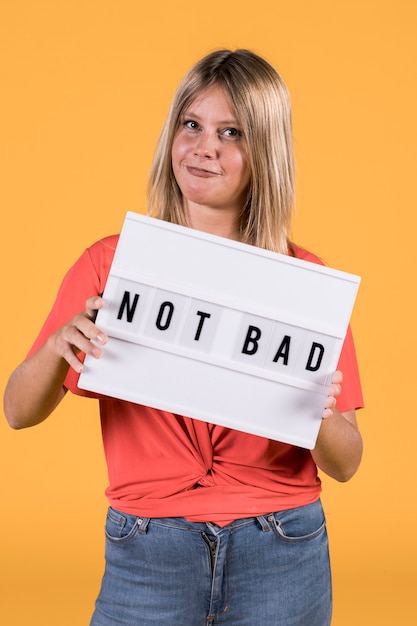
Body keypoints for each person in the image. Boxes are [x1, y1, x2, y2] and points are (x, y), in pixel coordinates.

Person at [3, 49, 363, 626]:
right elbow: (17, 412)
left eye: (232, 133)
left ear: (264, 154)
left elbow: (347, 462)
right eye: (191, 124)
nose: (205, 147)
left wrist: (313, 409)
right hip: (147, 550)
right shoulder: (108, 266)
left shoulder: (306, 285)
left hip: (281, 546)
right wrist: (54, 349)